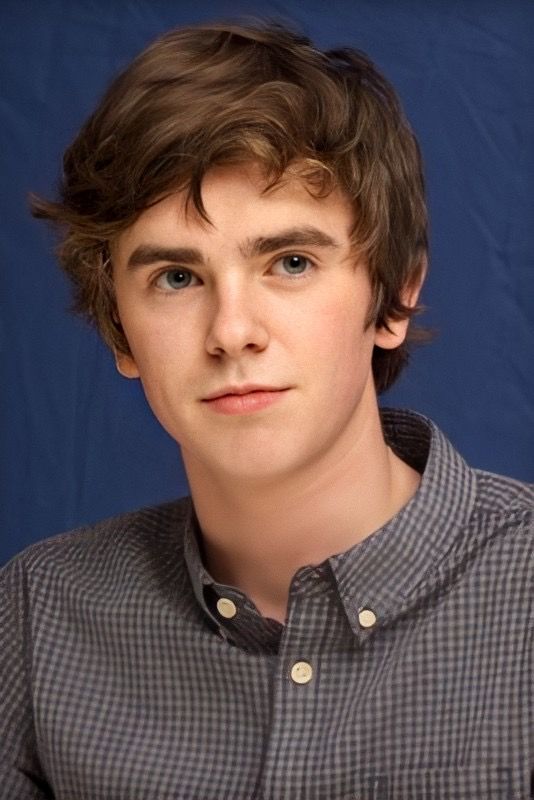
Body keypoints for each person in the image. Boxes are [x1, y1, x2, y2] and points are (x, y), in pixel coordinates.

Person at [0, 20, 532, 800]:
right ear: (120, 329)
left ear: (393, 294)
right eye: (177, 278)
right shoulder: (37, 620)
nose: (232, 333)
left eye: (290, 263)